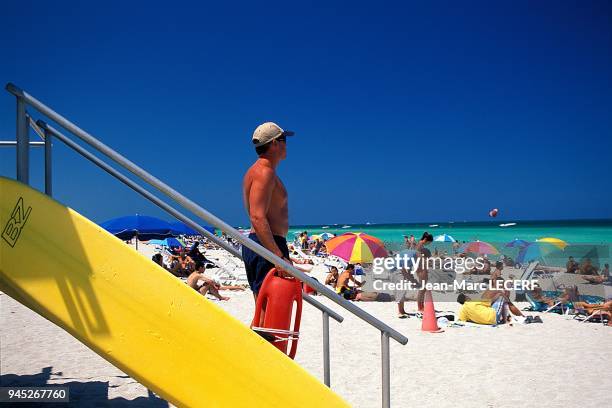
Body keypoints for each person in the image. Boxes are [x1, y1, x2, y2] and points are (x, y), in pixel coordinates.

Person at [242, 122, 294, 306]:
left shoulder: (260, 171)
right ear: (274, 143)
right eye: (284, 140)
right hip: (265, 244)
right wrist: (277, 257)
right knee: (268, 315)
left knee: (265, 314)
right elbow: (257, 216)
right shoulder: (264, 172)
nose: (286, 145)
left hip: (264, 243)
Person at [415, 232, 433, 311]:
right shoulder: (420, 245)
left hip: (421, 267)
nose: (429, 244)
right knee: (422, 288)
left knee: (423, 288)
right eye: (429, 242)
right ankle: (420, 307)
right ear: (425, 239)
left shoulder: (420, 245)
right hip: (420, 268)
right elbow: (418, 258)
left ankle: (421, 306)